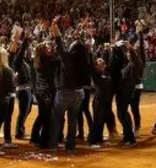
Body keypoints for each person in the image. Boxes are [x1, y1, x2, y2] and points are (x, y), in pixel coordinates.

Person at [48, 18, 90, 152]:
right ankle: (70, 145)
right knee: (73, 121)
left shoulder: (68, 58)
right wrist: (80, 29)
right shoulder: (83, 58)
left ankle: (54, 144)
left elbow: (59, 43)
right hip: (79, 93)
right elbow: (77, 43)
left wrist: (54, 26)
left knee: (56, 119)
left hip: (64, 92)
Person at [29, 40, 57, 148]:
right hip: (47, 92)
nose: (48, 49)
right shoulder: (46, 60)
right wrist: (55, 48)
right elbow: (56, 62)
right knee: (47, 118)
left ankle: (34, 137)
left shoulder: (37, 60)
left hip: (40, 91)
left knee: (42, 116)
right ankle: (43, 141)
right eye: (46, 48)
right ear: (42, 51)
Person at [10, 28, 33, 140]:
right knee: (24, 111)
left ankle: (20, 128)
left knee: (27, 110)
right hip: (23, 90)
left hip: (27, 89)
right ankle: (19, 132)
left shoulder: (24, 61)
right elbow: (21, 50)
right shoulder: (17, 61)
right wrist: (24, 40)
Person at [86, 56, 113, 148]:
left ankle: (99, 139)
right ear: (96, 66)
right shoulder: (96, 74)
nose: (102, 64)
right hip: (98, 102)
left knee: (101, 121)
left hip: (105, 102)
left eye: (103, 63)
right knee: (97, 121)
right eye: (99, 63)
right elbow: (90, 66)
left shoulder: (106, 73)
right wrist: (89, 52)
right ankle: (91, 141)